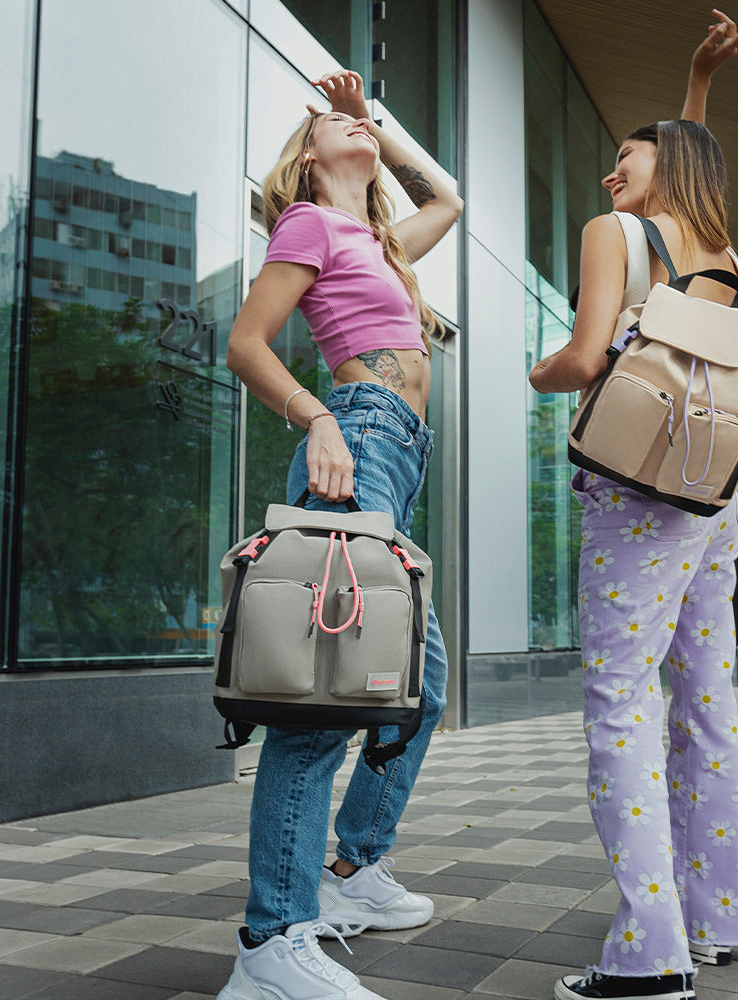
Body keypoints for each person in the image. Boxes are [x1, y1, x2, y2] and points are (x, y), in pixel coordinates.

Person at [217, 69, 462, 1000]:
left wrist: (372, 124)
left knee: (420, 689)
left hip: (396, 455)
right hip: (352, 438)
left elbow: (449, 197)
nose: (350, 126)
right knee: (320, 704)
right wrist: (316, 416)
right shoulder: (308, 225)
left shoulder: (381, 240)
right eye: (330, 124)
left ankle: (352, 872)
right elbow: (246, 342)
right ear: (309, 158)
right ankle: (272, 944)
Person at [529, 11, 738, 1000]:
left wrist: (535, 371)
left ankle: (649, 951)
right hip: (716, 494)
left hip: (635, 492)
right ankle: (718, 917)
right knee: (705, 702)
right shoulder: (725, 253)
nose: (613, 167)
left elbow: (582, 359)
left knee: (617, 698)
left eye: (628, 154)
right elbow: (689, 165)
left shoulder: (610, 232)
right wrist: (696, 86)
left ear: (661, 166)